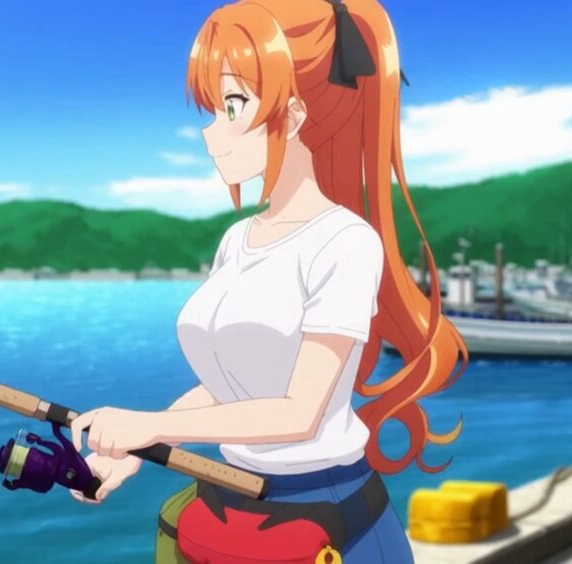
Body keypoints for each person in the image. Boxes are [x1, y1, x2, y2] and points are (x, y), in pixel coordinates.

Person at [68, 0, 468, 562]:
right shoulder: (237, 240)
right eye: (211, 110)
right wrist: (142, 446)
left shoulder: (346, 242)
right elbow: (236, 386)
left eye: (233, 106)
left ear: (295, 114)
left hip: (330, 516)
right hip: (232, 502)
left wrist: (148, 425)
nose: (211, 134)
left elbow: (298, 411)